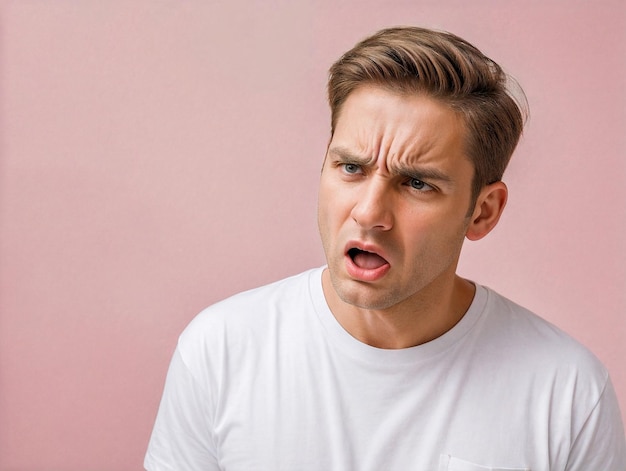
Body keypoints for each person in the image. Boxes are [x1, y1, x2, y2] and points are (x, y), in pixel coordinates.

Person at [144, 26, 626, 470]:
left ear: (482, 212)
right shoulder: (220, 350)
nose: (369, 211)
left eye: (417, 183)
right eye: (351, 168)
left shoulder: (567, 393)